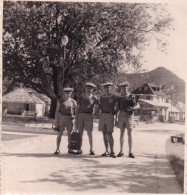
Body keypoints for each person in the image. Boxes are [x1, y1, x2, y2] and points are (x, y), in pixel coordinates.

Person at [116, 82, 140, 158]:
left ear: (127, 88)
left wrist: (133, 108)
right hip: (121, 114)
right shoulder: (119, 97)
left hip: (129, 115)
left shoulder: (132, 96)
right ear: (121, 89)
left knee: (129, 133)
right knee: (121, 133)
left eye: (125, 87)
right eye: (122, 88)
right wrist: (115, 119)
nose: (124, 89)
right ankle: (121, 151)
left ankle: (130, 152)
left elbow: (138, 105)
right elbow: (117, 109)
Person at [75, 82, 99, 155]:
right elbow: (77, 108)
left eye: (91, 88)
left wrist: (95, 114)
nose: (89, 89)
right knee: (80, 133)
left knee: (90, 133)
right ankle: (79, 149)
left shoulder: (94, 98)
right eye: (87, 88)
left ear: (92, 90)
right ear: (85, 88)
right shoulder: (81, 97)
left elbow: (98, 107)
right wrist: (76, 118)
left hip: (89, 116)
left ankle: (91, 149)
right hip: (80, 115)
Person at [54, 87, 77, 155]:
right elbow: (57, 111)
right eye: (67, 93)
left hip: (70, 119)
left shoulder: (73, 101)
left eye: (70, 93)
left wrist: (75, 117)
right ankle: (57, 149)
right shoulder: (60, 101)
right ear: (64, 93)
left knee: (70, 135)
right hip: (62, 118)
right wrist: (56, 122)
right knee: (59, 134)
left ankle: (70, 149)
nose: (68, 94)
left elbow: (76, 111)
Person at [98, 82, 118, 158]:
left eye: (108, 87)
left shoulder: (114, 97)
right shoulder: (102, 97)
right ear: (103, 89)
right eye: (105, 87)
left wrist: (114, 115)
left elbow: (117, 107)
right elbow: (99, 106)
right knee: (104, 134)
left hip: (110, 115)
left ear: (110, 88)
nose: (107, 89)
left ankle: (112, 151)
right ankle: (107, 150)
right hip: (102, 115)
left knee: (109, 133)